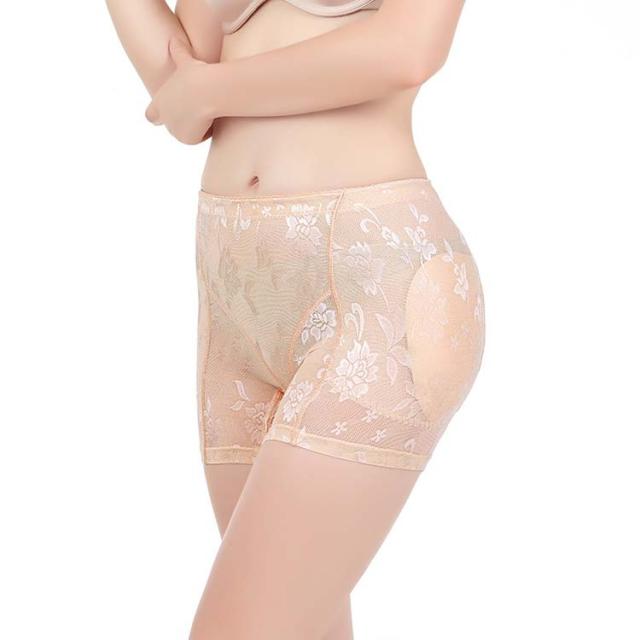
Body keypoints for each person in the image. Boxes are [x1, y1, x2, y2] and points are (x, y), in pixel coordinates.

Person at [106, 1, 485, 638]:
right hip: (236, 302)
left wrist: (210, 88)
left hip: (371, 285)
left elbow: (408, 49)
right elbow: (184, 102)